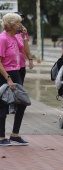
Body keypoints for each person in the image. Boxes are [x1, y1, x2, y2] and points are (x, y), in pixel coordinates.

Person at [0, 13, 29, 146]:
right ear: (11, 25)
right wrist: (8, 79)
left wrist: (23, 37)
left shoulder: (15, 37)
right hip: (4, 74)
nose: (20, 25)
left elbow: (26, 51)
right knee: (3, 105)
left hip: (16, 72)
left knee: (22, 102)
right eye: (18, 23)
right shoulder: (3, 38)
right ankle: (1, 137)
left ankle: (15, 134)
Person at [15, 12, 34, 85]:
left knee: (20, 86)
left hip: (21, 63)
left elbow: (26, 48)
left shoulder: (23, 31)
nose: (20, 21)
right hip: (11, 66)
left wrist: (30, 58)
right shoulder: (9, 32)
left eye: (21, 19)